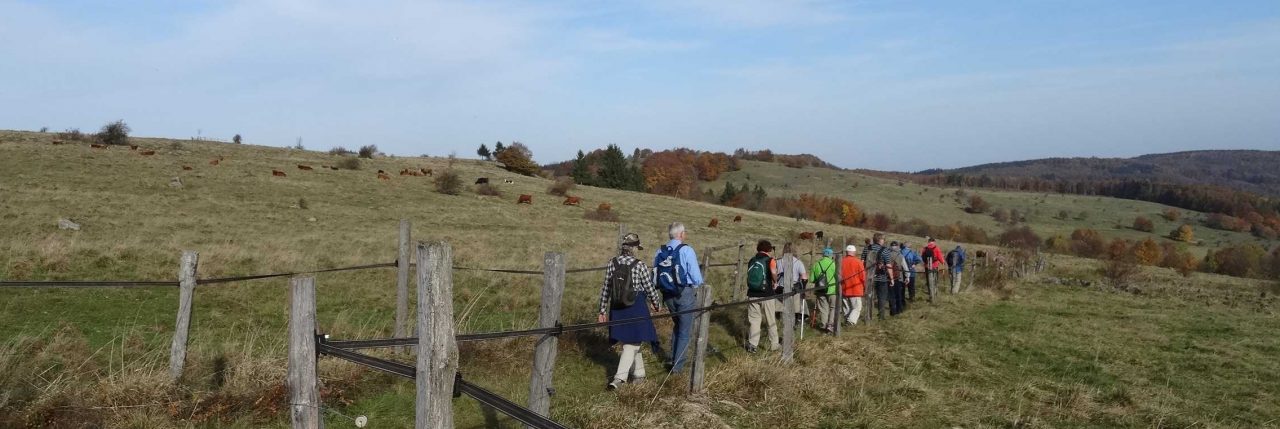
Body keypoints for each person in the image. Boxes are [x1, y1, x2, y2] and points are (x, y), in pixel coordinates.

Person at [597, 233, 663, 390]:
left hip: (617, 307)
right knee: (631, 344)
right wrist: (656, 303)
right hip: (636, 306)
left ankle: (640, 375)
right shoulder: (639, 265)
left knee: (633, 340)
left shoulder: (612, 263)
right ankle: (618, 380)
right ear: (634, 248)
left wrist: (602, 310)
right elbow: (649, 287)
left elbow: (606, 287)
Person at [654, 222, 703, 374]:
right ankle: (677, 368)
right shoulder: (686, 250)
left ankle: (672, 358)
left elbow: (655, 272)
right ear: (681, 234)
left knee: (677, 326)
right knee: (685, 330)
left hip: (667, 294)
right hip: (684, 293)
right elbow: (696, 277)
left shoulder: (660, 251)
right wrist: (697, 285)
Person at [744, 240, 780, 353]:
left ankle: (752, 345)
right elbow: (774, 274)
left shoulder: (752, 261)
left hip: (752, 293)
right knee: (770, 320)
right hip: (767, 294)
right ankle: (774, 344)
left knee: (754, 320)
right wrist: (775, 281)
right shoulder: (770, 260)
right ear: (769, 250)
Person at [774, 242, 809, 326]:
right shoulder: (798, 262)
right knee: (797, 306)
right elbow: (804, 278)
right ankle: (797, 320)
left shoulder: (778, 262)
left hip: (780, 288)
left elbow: (775, 275)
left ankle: (780, 321)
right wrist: (803, 290)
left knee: (780, 306)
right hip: (794, 288)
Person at [809, 247, 838, 332]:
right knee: (833, 307)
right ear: (831, 255)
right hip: (832, 289)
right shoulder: (834, 264)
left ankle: (823, 324)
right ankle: (830, 324)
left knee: (823, 308)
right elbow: (838, 277)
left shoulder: (816, 264)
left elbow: (812, 279)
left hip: (820, 290)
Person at [839, 245, 866, 325]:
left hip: (843, 288)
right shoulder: (858, 262)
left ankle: (847, 321)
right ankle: (850, 322)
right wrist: (865, 286)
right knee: (857, 307)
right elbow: (863, 276)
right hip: (855, 288)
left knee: (846, 307)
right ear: (854, 252)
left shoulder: (841, 261)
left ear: (846, 252)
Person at [867, 234, 892, 320]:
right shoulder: (885, 250)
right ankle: (881, 316)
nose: (884, 241)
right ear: (880, 240)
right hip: (882, 277)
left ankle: (868, 316)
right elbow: (889, 265)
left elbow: (862, 261)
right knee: (882, 297)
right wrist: (891, 278)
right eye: (883, 239)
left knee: (869, 296)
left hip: (869, 277)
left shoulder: (867, 248)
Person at [921, 237, 945, 302]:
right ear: (934, 242)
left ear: (928, 242)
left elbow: (922, 257)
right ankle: (935, 294)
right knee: (935, 281)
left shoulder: (925, 248)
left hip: (927, 267)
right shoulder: (936, 248)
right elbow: (940, 257)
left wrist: (925, 263)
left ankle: (931, 295)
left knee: (929, 281)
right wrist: (943, 262)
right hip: (935, 266)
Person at [888, 241, 908, 315]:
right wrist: (907, 277)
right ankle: (899, 310)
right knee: (898, 294)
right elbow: (905, 267)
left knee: (891, 295)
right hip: (898, 277)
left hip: (889, 277)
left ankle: (892, 311)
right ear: (897, 247)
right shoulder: (900, 255)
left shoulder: (887, 255)